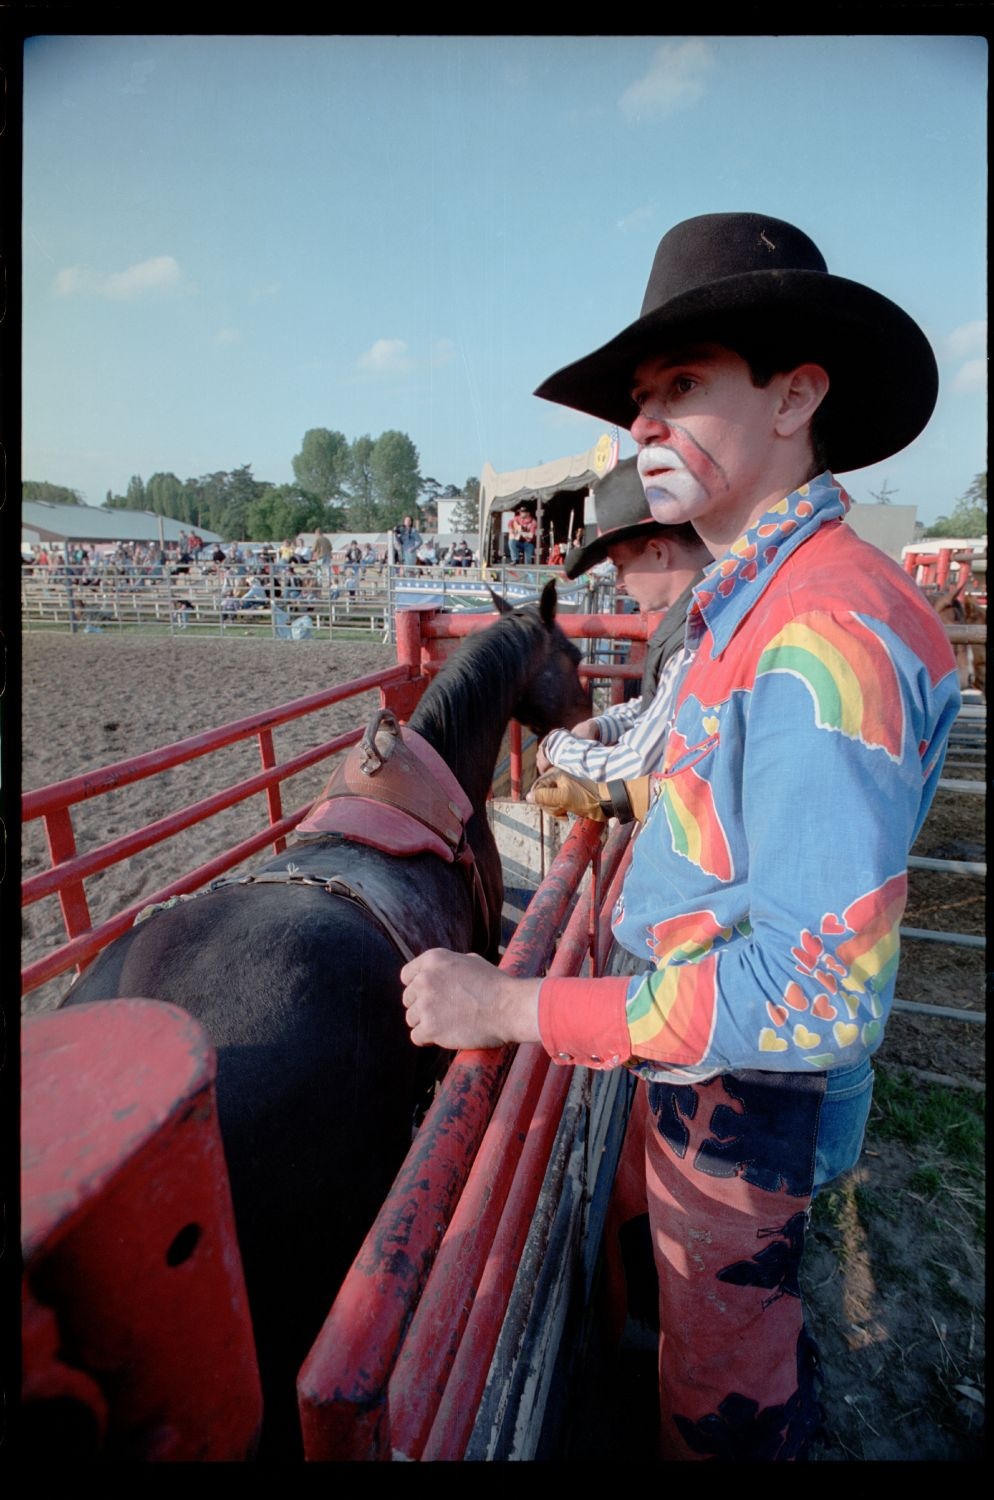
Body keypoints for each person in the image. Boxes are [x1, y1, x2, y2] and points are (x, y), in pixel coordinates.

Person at [399, 212, 960, 1460]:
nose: (638, 425)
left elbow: (812, 996)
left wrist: (509, 1009)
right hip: (702, 1057)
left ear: (793, 396)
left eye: (682, 385)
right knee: (717, 1339)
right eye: (639, 399)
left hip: (740, 1089)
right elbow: (691, 776)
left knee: (721, 1395)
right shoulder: (749, 606)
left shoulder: (824, 637)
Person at [536, 457, 711, 785]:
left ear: (659, 553)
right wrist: (600, 726)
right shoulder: (707, 608)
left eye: (619, 566)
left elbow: (632, 765)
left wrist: (556, 744)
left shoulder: (697, 633)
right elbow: (659, 707)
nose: (617, 583)